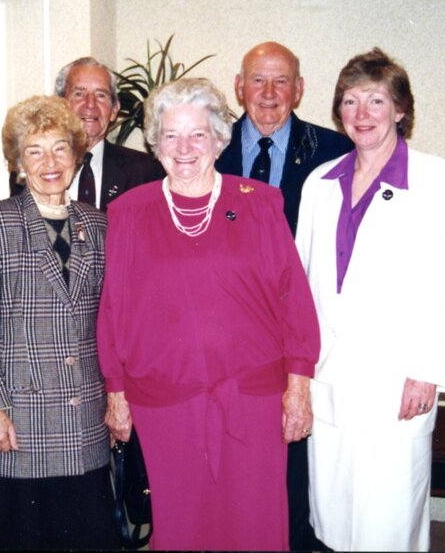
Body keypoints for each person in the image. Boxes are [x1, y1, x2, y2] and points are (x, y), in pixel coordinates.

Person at [98, 77, 321, 551]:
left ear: (219, 140)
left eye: (197, 134)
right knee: (182, 525)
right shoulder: (129, 213)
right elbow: (114, 307)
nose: (184, 148)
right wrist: (116, 392)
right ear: (155, 142)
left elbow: (293, 300)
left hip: (253, 401)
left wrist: (298, 387)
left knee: (255, 522)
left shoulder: (260, 203)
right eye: (171, 135)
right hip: (166, 403)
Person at [295, 48, 445, 551]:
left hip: (396, 381)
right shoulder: (318, 183)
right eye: (350, 101)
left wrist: (427, 370)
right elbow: (303, 286)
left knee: (388, 519)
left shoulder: (436, 179)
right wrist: (298, 372)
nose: (362, 114)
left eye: (376, 100)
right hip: (330, 376)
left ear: (400, 110)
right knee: (333, 513)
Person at [0, 96, 119, 550]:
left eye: (60, 148)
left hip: (85, 417)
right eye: (35, 150)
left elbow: (112, 320)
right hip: (19, 421)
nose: (50, 162)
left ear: (77, 155)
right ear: (18, 162)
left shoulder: (100, 225)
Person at [214, 40, 353, 551]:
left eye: (281, 82)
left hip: (299, 326)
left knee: (295, 446)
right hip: (224, 331)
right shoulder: (208, 148)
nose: (268, 94)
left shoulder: (333, 152)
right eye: (257, 80)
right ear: (238, 86)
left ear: (299, 89)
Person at [9, 57, 164, 209]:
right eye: (79, 93)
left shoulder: (145, 171)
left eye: (101, 95)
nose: (90, 104)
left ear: (114, 109)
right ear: (59, 105)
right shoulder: (33, 169)